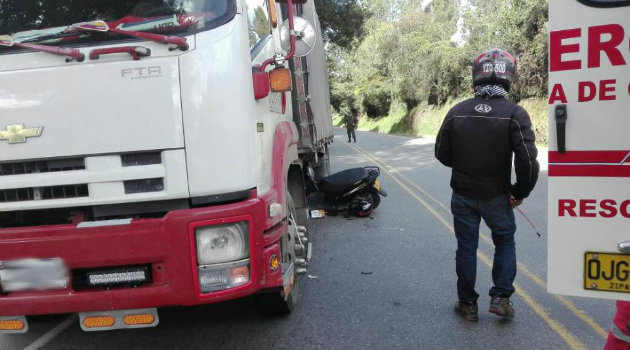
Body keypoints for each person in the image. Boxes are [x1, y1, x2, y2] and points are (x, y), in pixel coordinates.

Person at [434, 48, 539, 322]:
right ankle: (501, 298)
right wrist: (519, 192)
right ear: (509, 77)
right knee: (504, 241)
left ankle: (467, 305)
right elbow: (528, 161)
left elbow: (442, 154)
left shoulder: (457, 111)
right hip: (496, 196)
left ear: (476, 77)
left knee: (466, 248)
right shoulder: (515, 113)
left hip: (463, 194)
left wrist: (465, 165)